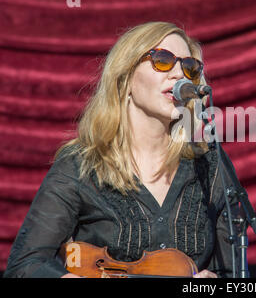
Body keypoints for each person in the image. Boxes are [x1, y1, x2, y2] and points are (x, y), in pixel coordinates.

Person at [3, 21, 241, 278]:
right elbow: (24, 265)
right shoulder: (80, 165)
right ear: (126, 78)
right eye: (162, 60)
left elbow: (234, 273)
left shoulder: (210, 164)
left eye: (189, 67)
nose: (178, 75)